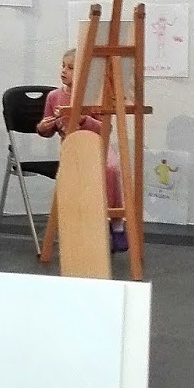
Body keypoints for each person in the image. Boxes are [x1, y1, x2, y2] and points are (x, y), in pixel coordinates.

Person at [37, 48, 127, 252]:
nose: (64, 71)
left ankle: (115, 222)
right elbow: (47, 130)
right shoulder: (54, 96)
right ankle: (88, 225)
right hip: (73, 147)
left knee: (111, 168)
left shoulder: (94, 96)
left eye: (70, 68)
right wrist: (43, 127)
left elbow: (106, 129)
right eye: (63, 66)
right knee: (80, 175)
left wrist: (85, 120)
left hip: (97, 144)